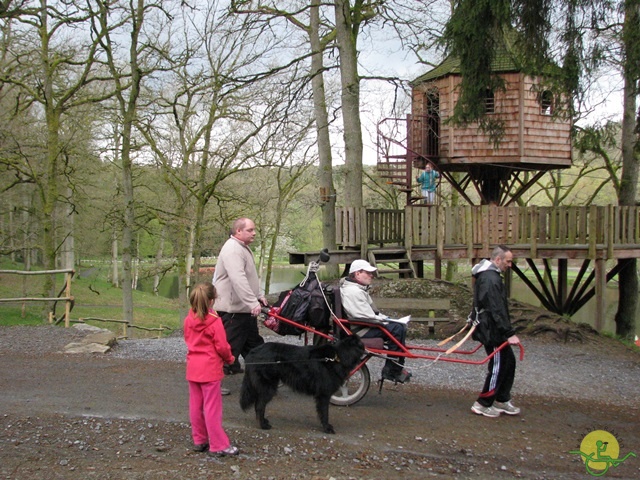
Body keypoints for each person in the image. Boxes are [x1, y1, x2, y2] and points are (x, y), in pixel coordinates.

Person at [183, 283, 239, 456]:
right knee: (212, 408)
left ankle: (199, 439)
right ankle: (218, 444)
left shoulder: (188, 319)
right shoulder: (214, 321)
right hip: (209, 369)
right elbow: (222, 346)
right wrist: (230, 359)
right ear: (212, 300)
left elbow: (188, 339)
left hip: (193, 368)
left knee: (196, 405)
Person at [339, 259, 411, 383]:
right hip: (360, 330)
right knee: (398, 328)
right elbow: (364, 316)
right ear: (357, 273)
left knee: (399, 327)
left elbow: (373, 313)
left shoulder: (358, 289)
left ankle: (397, 367)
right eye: (368, 272)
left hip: (364, 325)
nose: (371, 275)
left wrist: (386, 319)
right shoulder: (353, 291)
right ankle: (393, 370)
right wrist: (386, 321)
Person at [469, 245, 521, 418]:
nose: (510, 265)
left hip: (494, 327)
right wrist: (509, 332)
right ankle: (483, 403)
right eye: (508, 261)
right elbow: (496, 309)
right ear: (498, 260)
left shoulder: (492, 276)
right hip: (491, 329)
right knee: (498, 365)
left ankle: (501, 397)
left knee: (509, 361)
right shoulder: (490, 279)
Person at [213, 218, 266, 378]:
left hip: (242, 308)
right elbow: (238, 278)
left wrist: (258, 296)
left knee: (254, 345)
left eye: (254, 230)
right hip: (234, 309)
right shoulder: (233, 250)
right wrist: (252, 302)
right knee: (229, 346)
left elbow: (249, 277)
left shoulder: (241, 247)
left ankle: (262, 375)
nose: (254, 233)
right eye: (250, 230)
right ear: (238, 231)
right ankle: (213, 380)